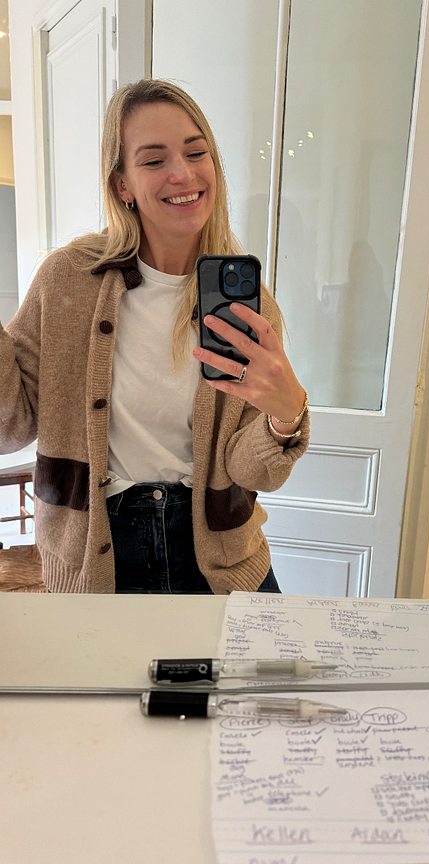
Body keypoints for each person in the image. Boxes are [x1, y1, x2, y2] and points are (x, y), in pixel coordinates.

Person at [0, 79, 309, 594]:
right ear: (122, 184)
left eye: (196, 152)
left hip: (219, 556)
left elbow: (252, 472)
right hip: (96, 556)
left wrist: (285, 418)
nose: (182, 174)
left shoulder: (247, 305)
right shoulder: (67, 281)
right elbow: (9, 427)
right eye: (153, 160)